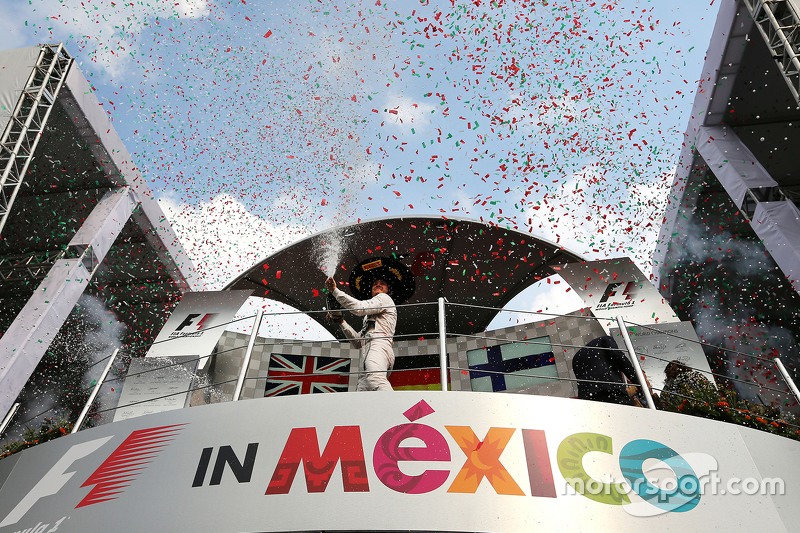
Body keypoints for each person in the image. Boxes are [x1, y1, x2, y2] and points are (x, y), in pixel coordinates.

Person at [325, 276, 397, 391]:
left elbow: (359, 308)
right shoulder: (371, 315)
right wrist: (341, 322)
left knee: (375, 379)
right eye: (375, 283)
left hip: (378, 346)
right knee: (362, 393)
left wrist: (335, 291)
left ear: (388, 290)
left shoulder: (384, 298)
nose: (378, 285)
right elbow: (357, 342)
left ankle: (398, 408)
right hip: (371, 349)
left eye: (382, 283)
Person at [571, 335, 643, 406]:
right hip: (611, 391)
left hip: (589, 399)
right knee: (625, 415)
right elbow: (618, 357)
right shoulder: (605, 339)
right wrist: (638, 382)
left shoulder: (576, 357)